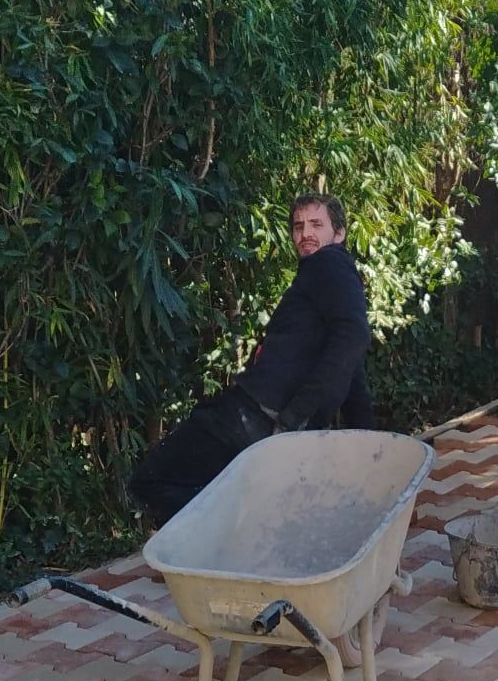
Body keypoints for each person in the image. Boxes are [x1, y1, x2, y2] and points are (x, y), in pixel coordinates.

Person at [128, 192, 374, 529]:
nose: (306, 234)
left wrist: (294, 415)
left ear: (340, 234)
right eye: (298, 226)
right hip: (273, 423)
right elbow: (352, 364)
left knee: (150, 479)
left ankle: (220, 539)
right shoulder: (326, 282)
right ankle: (236, 534)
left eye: (317, 224)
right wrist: (369, 450)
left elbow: (354, 336)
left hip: (255, 416)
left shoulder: (329, 263)